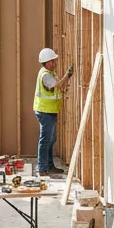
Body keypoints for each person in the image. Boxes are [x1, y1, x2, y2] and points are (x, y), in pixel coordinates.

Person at [33, 47, 73, 177]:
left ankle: (49, 166)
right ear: (46, 62)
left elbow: (59, 86)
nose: (54, 63)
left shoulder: (51, 73)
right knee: (45, 140)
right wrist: (68, 75)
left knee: (51, 138)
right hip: (45, 111)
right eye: (52, 61)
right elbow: (59, 86)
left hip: (49, 111)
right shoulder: (45, 76)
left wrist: (66, 79)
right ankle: (42, 168)